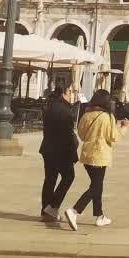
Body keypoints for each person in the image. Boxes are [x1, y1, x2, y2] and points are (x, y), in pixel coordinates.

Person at [64, 90, 124, 231]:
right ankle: (74, 211)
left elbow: (82, 135)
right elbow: (113, 137)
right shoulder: (107, 117)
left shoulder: (86, 114)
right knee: (96, 187)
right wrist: (123, 128)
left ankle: (100, 216)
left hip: (87, 154)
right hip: (100, 155)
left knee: (97, 185)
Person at [39, 84, 78, 222]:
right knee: (69, 177)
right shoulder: (66, 110)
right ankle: (53, 206)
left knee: (50, 179)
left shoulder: (49, 106)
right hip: (61, 150)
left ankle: (45, 210)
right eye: (71, 92)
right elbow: (68, 134)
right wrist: (73, 153)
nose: (73, 95)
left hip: (48, 148)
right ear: (64, 93)